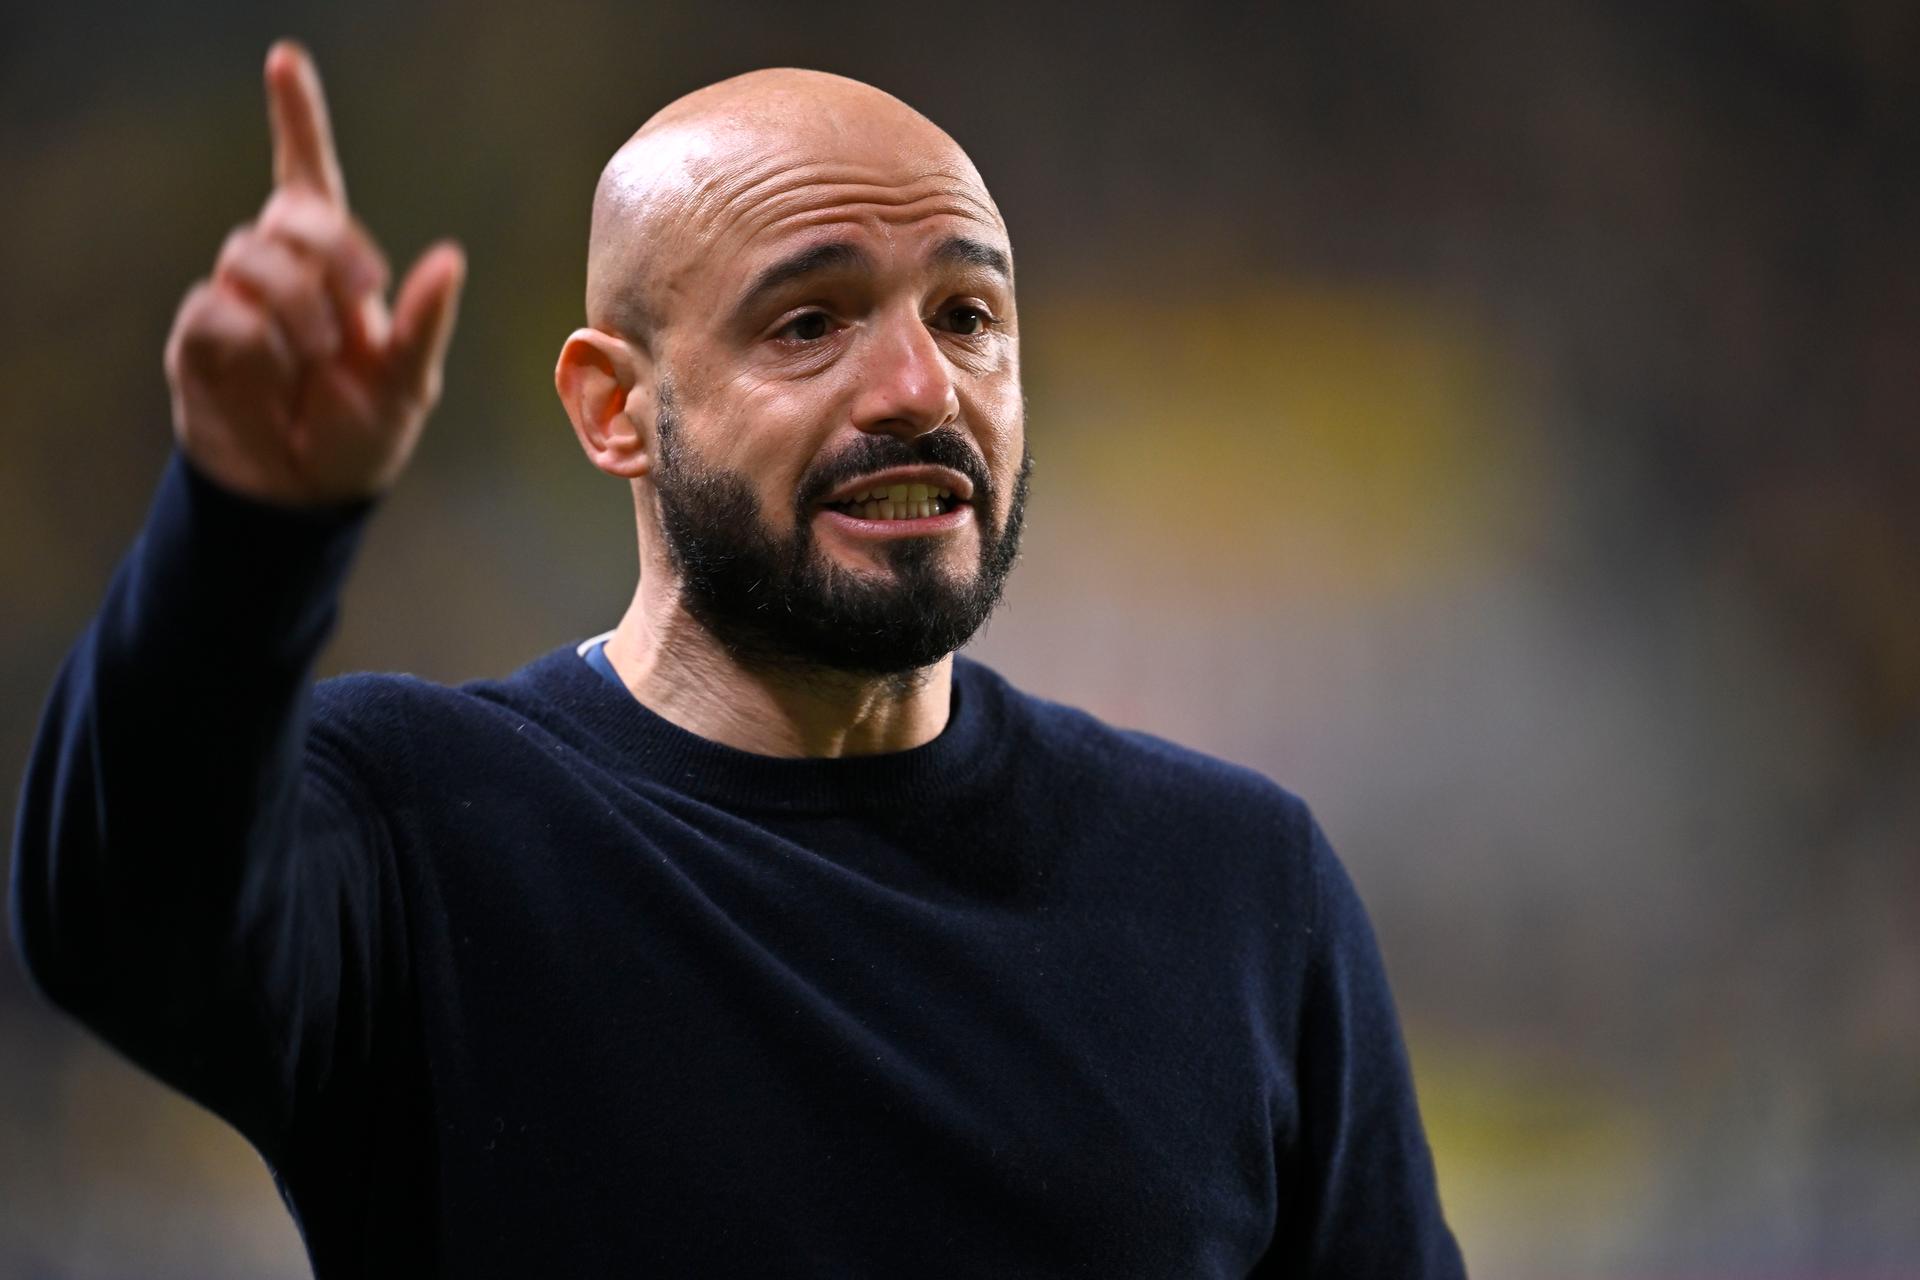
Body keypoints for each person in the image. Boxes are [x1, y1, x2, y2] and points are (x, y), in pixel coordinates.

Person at [8, 39, 1466, 1278]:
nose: (917, 389)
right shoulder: (420, 825)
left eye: (969, 316)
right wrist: (248, 529)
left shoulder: (1236, 885)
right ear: (615, 409)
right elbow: (122, 922)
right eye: (809, 321)